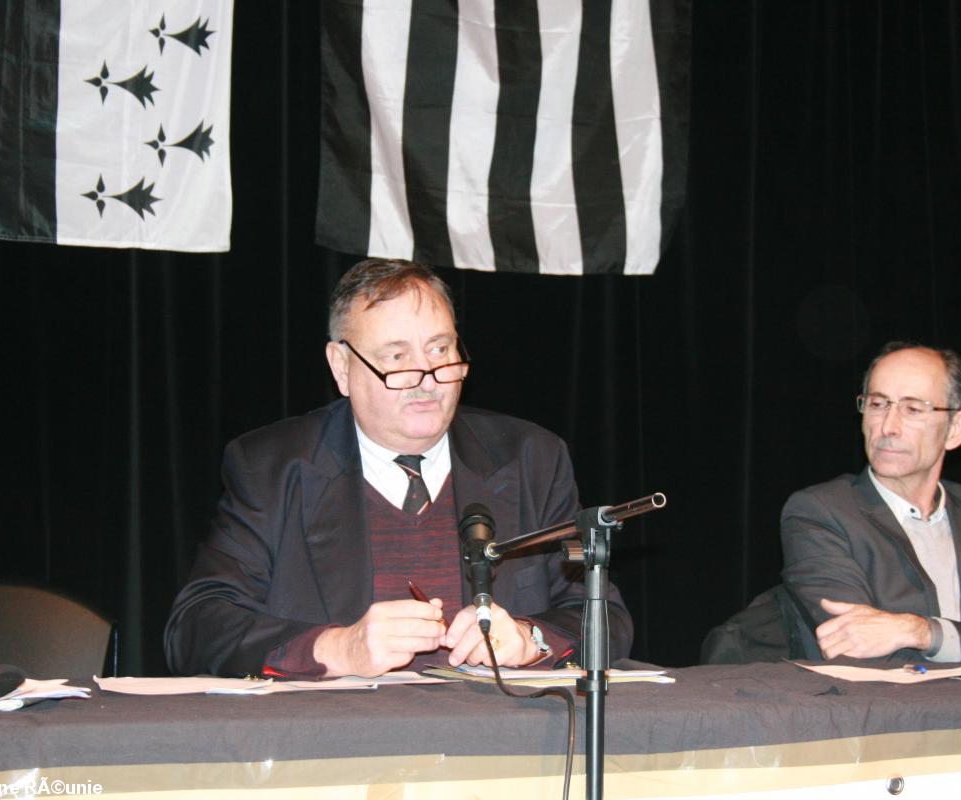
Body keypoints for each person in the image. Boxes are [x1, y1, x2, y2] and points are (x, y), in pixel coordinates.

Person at [165, 258, 632, 678]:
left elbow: (603, 616)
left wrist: (529, 642)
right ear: (342, 367)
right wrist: (338, 649)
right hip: (338, 751)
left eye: (440, 349)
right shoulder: (273, 467)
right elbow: (197, 626)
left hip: (502, 748)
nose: (427, 378)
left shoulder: (531, 458)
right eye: (396, 357)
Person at [780, 342, 961, 663]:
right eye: (877, 404)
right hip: (883, 712)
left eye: (912, 409)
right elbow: (854, 649)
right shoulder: (821, 512)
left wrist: (920, 632)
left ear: (956, 428)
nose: (888, 427)